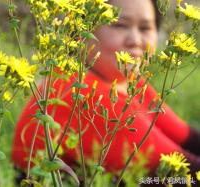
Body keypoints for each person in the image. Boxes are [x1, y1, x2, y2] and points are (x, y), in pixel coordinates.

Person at [12, 0, 200, 184]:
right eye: (119, 25)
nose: (135, 41)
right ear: (85, 29)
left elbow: (188, 138)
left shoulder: (126, 82)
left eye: (145, 28)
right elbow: (184, 172)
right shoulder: (78, 89)